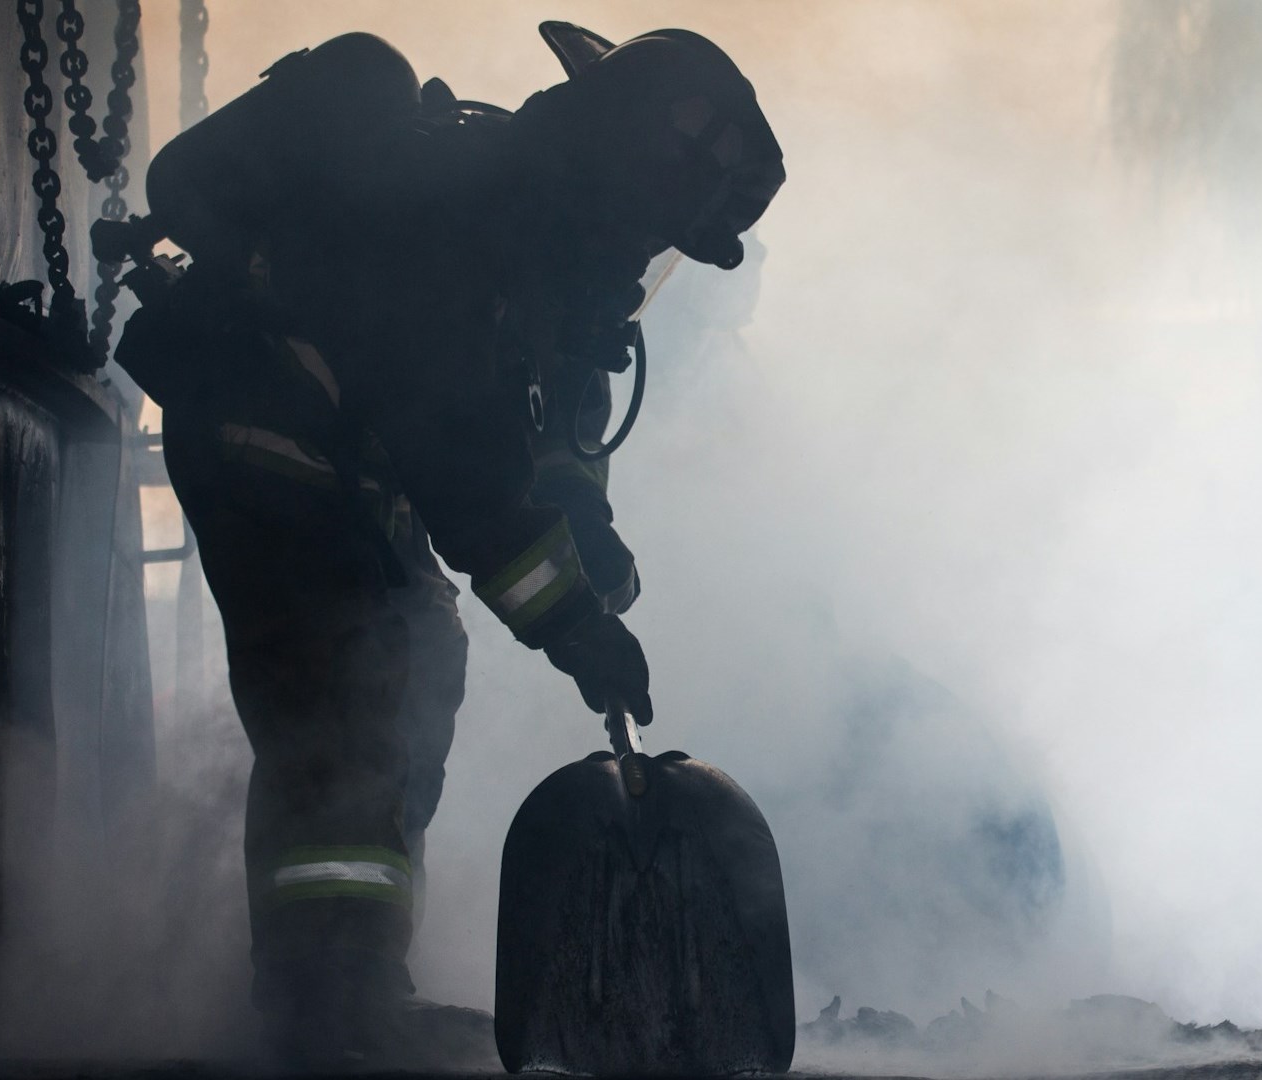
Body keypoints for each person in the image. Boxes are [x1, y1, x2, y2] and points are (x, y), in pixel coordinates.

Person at [113, 22, 784, 1066]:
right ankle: (323, 1005)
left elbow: (556, 440)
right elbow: (469, 483)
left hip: (349, 471)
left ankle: (353, 975)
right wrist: (575, 628)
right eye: (659, 225)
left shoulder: (553, 264)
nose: (649, 256)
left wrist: (589, 537)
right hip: (270, 440)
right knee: (349, 696)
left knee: (418, 654)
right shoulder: (470, 225)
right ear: (622, 177)